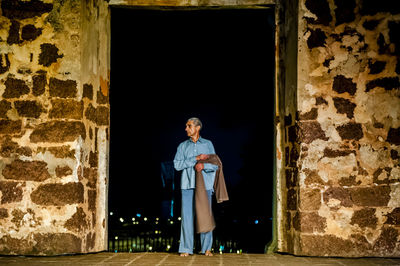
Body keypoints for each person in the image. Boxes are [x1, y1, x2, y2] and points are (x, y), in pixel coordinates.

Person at [173, 117, 217, 257]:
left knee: (205, 216)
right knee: (186, 218)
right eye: (186, 126)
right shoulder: (182, 146)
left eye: (189, 126)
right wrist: (195, 159)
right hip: (187, 185)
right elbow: (177, 165)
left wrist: (203, 165)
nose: (186, 129)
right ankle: (186, 248)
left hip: (205, 186)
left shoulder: (208, 144)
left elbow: (215, 165)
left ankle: (206, 249)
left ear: (197, 128)